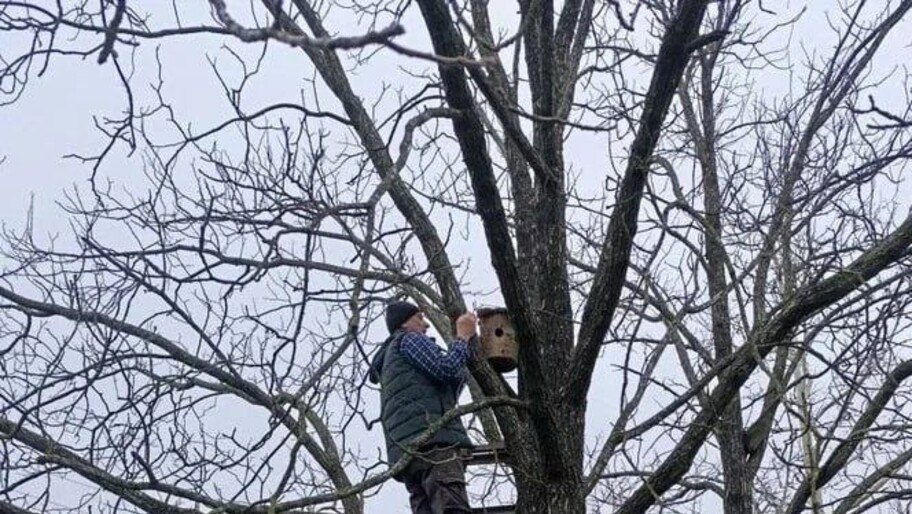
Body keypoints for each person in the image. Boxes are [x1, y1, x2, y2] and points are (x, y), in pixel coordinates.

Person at [369, 300, 477, 514]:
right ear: (404, 324)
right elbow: (446, 368)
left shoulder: (390, 361)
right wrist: (463, 337)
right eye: (419, 318)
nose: (426, 324)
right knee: (453, 509)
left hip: (409, 456)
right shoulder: (409, 340)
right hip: (435, 445)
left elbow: (441, 390)